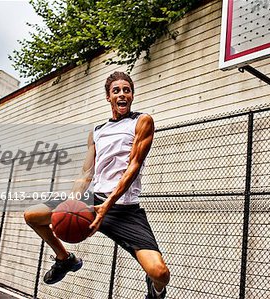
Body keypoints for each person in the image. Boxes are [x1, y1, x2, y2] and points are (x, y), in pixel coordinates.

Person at [24, 71, 170, 299]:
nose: (122, 94)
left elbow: (134, 166)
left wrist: (107, 206)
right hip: (92, 201)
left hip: (124, 209)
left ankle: (156, 292)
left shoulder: (142, 121)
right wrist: (73, 201)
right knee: (33, 216)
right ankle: (65, 260)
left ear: (132, 95)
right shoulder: (97, 131)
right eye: (116, 91)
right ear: (108, 97)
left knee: (159, 272)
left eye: (126, 90)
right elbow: (86, 172)